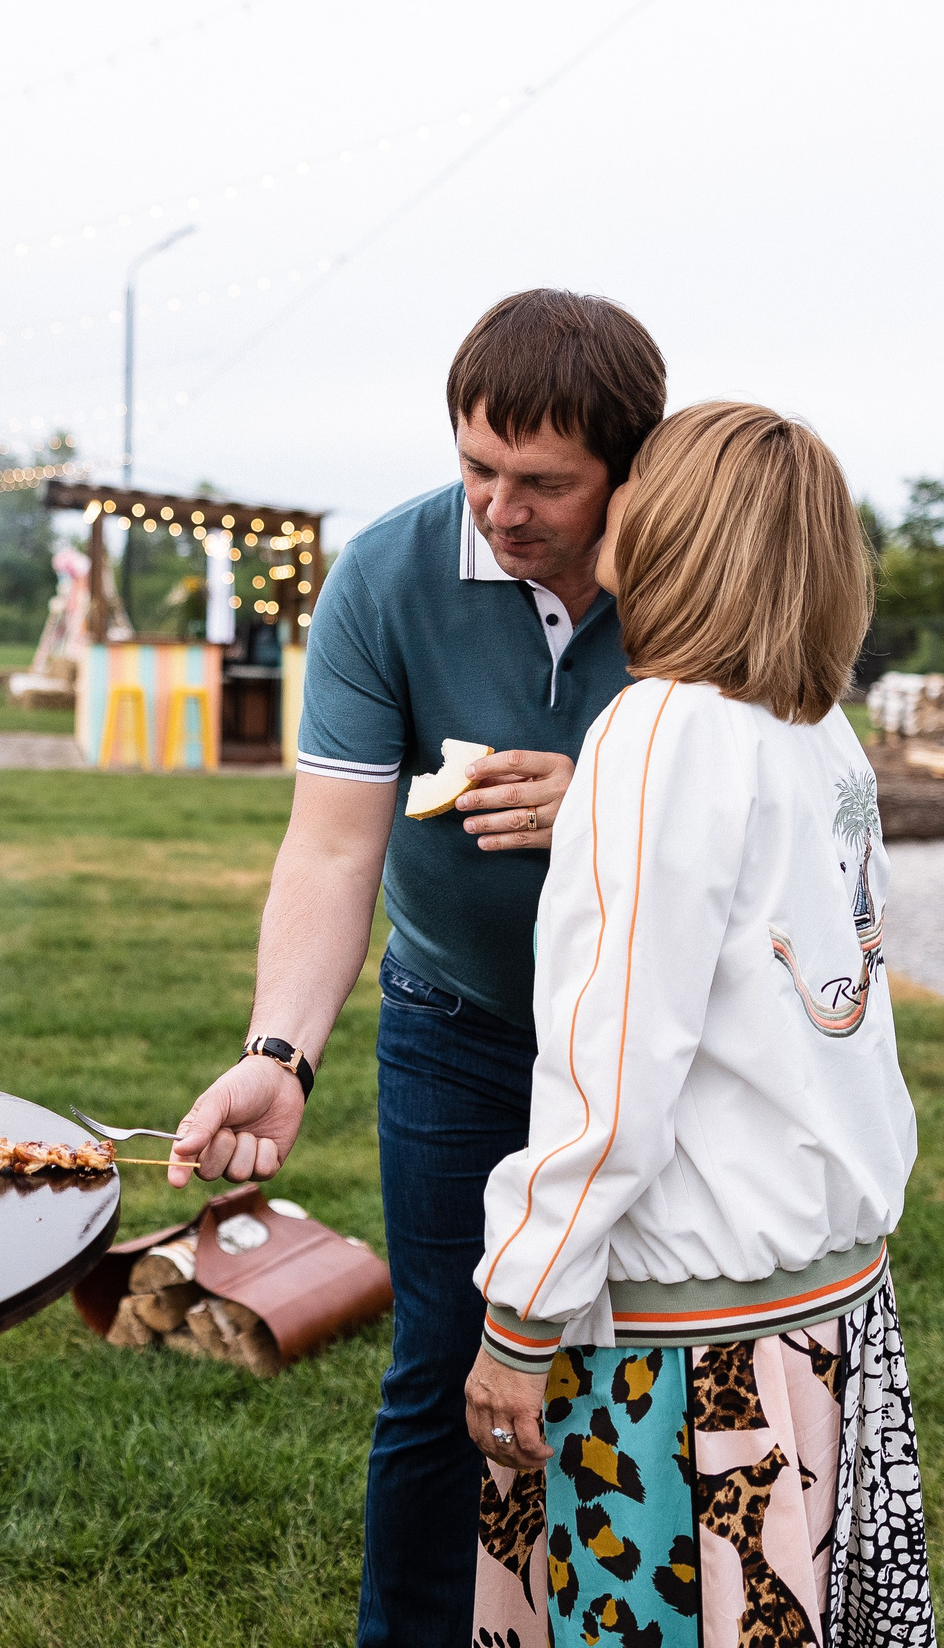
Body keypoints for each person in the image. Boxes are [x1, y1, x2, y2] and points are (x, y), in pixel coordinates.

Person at [169, 289, 667, 1646]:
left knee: (644, 1346)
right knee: (447, 1359)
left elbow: (778, 795)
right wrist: (281, 1053)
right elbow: (334, 849)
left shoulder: (697, 574)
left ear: (630, 466)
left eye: (543, 483)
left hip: (657, 1036)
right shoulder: (387, 575)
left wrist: (612, 796)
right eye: (476, 466)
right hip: (453, 1016)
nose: (500, 508)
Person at [460, 402, 932, 1646]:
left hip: (686, 1354)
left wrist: (519, 1313)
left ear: (674, 527)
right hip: (825, 1314)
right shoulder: (817, 732)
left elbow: (610, 1062)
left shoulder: (656, 725)